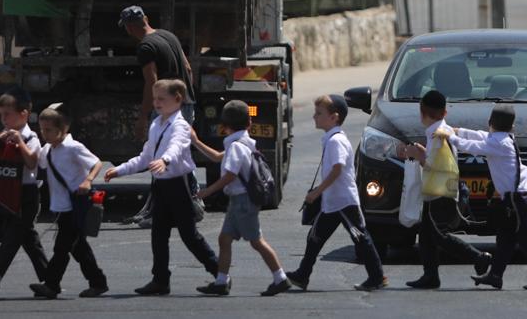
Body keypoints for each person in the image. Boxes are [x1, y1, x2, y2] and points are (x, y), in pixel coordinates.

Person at [105, 79, 219, 295]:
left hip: (178, 186)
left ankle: (220, 274)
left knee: (189, 235)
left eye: (161, 99)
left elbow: (176, 148)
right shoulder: (157, 124)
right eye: (154, 98)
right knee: (158, 235)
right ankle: (160, 280)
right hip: (161, 186)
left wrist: (165, 161)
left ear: (177, 100)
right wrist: (119, 170)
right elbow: (145, 157)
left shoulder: (181, 126)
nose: (156, 103)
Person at [447, 104, 527, 291]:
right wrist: (458, 131)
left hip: (518, 198)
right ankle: (495, 275)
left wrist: (450, 137)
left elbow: (472, 146)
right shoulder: (503, 138)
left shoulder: (499, 143)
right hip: (515, 197)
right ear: (512, 126)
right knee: (506, 238)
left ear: (490, 122)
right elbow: (480, 135)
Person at [286, 94, 387, 292]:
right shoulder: (332, 139)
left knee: (361, 238)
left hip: (344, 201)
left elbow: (337, 168)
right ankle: (302, 275)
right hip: (333, 202)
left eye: (319, 113)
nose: (314, 117)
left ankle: (377, 276)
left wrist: (317, 192)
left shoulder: (336, 141)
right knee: (314, 238)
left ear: (334, 117)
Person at [190, 100, 290, 296]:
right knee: (224, 238)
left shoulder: (236, 146)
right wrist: (195, 141)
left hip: (243, 201)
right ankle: (221, 281)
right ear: (249, 123)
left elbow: (230, 175)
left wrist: (206, 192)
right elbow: (219, 157)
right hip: (240, 201)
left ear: (224, 127)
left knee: (257, 241)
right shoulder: (242, 143)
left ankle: (280, 278)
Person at [396, 90, 492, 289]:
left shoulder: (436, 134)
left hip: (439, 191)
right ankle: (430, 276)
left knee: (440, 235)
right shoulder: (444, 129)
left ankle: (479, 257)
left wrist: (418, 155)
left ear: (422, 112)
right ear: (445, 113)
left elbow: (437, 166)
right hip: (441, 190)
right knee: (426, 236)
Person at [119, 5, 196, 227]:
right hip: (186, 102)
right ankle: (190, 205)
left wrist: (144, 116)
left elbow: (151, 83)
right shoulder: (168, 35)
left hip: (166, 108)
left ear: (129, 28)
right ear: (146, 19)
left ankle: (160, 212)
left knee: (160, 158)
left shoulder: (145, 47)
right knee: (178, 154)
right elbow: (188, 69)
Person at [0, 91, 49, 296]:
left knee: (14, 236)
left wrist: (19, 143)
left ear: (23, 115)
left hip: (26, 194)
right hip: (6, 192)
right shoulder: (2, 135)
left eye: (7, 114)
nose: (3, 119)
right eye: (1, 115)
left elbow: (32, 162)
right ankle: (50, 279)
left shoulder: (30, 137)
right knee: (25, 239)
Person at [29, 106, 107, 299]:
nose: (44, 134)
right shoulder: (48, 149)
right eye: (42, 129)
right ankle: (98, 282)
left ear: (62, 129)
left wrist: (87, 181)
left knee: (62, 247)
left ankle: (51, 285)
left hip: (76, 205)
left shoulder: (73, 147)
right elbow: (34, 162)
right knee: (79, 249)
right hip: (61, 206)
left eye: (48, 130)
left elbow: (96, 163)